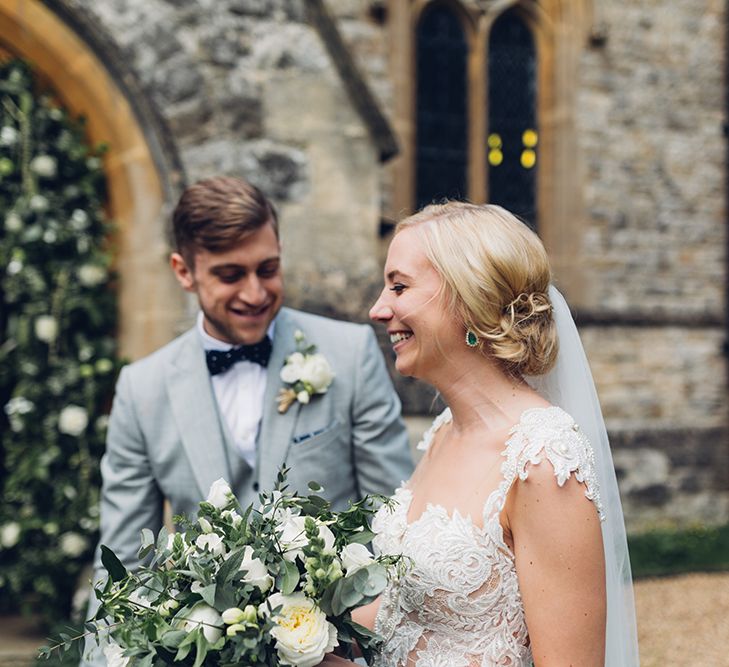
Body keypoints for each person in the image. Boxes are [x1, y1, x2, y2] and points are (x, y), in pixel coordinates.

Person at [81, 176, 413, 665]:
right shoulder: (141, 388)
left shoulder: (350, 353)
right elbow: (123, 563)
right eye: (231, 274)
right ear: (183, 271)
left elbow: (396, 523)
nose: (256, 293)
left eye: (268, 269)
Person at [324, 202, 638, 666]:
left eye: (399, 286)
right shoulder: (444, 433)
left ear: (467, 298)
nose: (377, 309)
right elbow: (407, 619)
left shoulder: (543, 459)